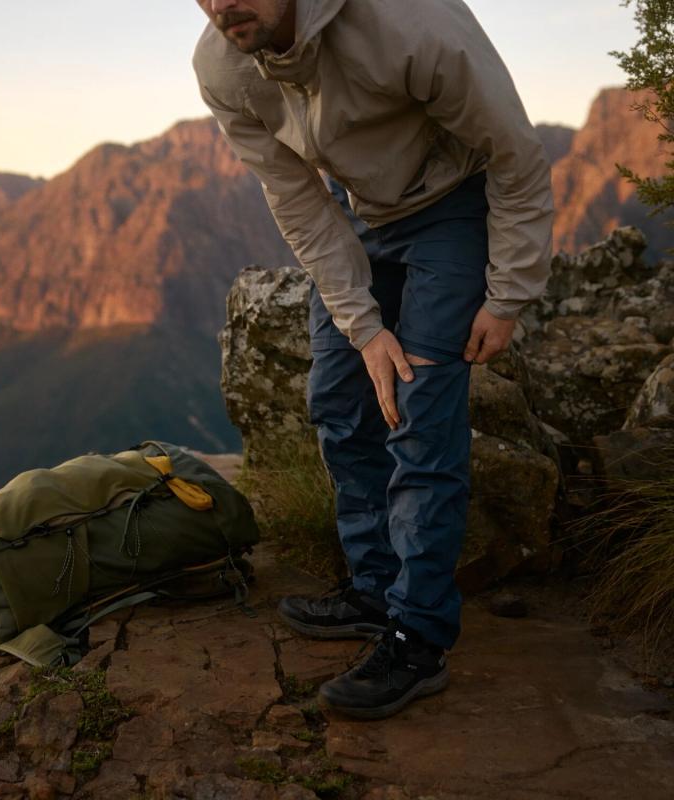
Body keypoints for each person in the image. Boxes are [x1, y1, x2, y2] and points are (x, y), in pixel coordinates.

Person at [192, 0, 553, 719]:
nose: (222, 2)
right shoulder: (221, 64)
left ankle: (418, 636)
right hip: (356, 211)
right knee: (338, 396)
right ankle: (373, 586)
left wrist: (509, 294)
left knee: (419, 413)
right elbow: (293, 194)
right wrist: (362, 326)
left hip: (453, 202)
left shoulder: (408, 20)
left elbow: (515, 152)